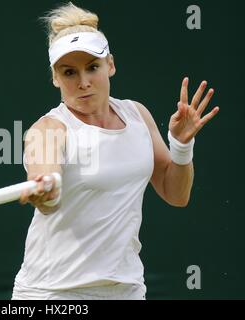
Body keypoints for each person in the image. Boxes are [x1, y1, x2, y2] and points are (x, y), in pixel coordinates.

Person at [14, 2, 219, 300]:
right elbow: (45, 178)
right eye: (69, 72)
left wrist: (181, 145)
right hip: (53, 294)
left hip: (127, 289)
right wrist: (45, 192)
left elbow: (176, 194)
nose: (83, 82)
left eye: (92, 67)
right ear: (55, 78)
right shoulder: (48, 130)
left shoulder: (137, 115)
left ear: (110, 64)